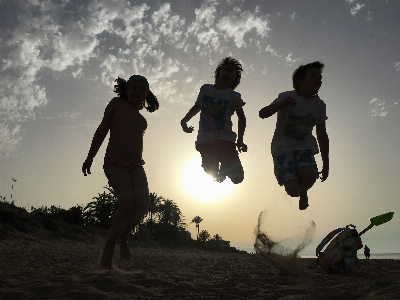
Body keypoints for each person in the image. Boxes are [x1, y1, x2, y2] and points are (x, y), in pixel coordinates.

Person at [82, 75, 159, 270]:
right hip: (114, 162)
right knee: (127, 204)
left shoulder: (142, 119)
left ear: (146, 95)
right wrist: (90, 157)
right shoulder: (116, 104)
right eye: (134, 87)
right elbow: (102, 129)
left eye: (143, 89)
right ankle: (109, 247)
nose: (137, 91)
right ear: (126, 89)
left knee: (142, 205)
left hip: (135, 165)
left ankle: (123, 238)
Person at [259, 61, 329, 210]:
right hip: (282, 149)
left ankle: (305, 192)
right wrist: (283, 104)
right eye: (314, 75)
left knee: (310, 176)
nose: (319, 79)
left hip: (304, 147)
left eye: (320, 77)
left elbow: (322, 134)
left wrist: (326, 162)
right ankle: (301, 193)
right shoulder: (287, 96)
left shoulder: (319, 105)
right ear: (300, 81)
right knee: (293, 191)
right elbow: (262, 113)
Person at [181, 57, 247, 184]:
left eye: (233, 70)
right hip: (206, 141)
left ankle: (225, 168)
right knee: (210, 169)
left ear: (235, 79)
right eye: (226, 67)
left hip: (225, 140)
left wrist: (240, 140)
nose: (229, 69)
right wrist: (185, 121)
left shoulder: (234, 96)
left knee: (238, 178)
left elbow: (242, 118)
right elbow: (197, 107)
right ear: (219, 72)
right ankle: (218, 171)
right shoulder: (205, 89)